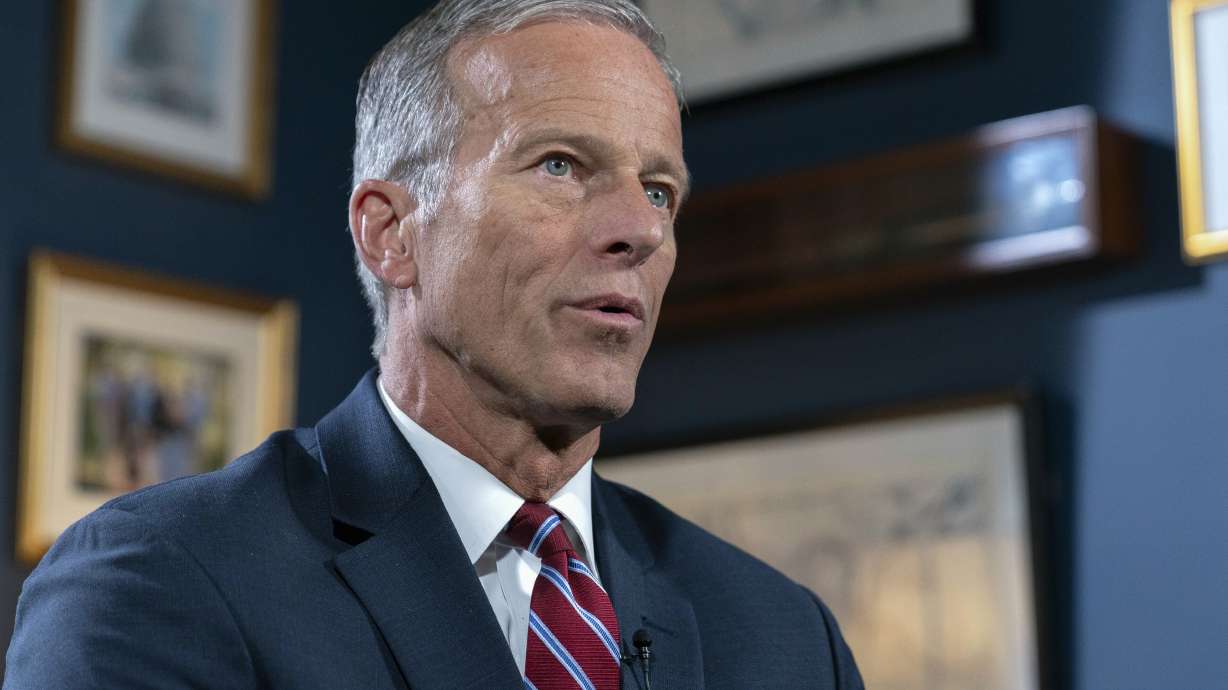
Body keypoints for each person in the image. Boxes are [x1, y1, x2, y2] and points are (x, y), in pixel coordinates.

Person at [5, 1, 863, 688]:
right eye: (561, 165)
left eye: (660, 190)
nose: (638, 228)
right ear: (392, 232)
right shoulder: (163, 581)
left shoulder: (784, 638)